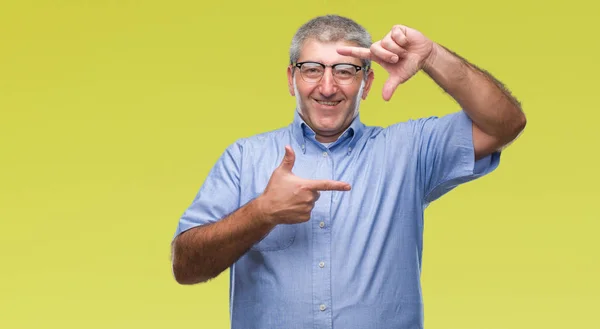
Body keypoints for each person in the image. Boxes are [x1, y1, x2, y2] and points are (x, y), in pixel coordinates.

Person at [170, 14, 526, 329]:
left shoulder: (409, 150)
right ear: (292, 79)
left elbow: (505, 124)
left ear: (367, 83)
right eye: (312, 69)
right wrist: (261, 213)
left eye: (345, 71)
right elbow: (186, 267)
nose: (327, 87)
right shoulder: (244, 157)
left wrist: (432, 56)